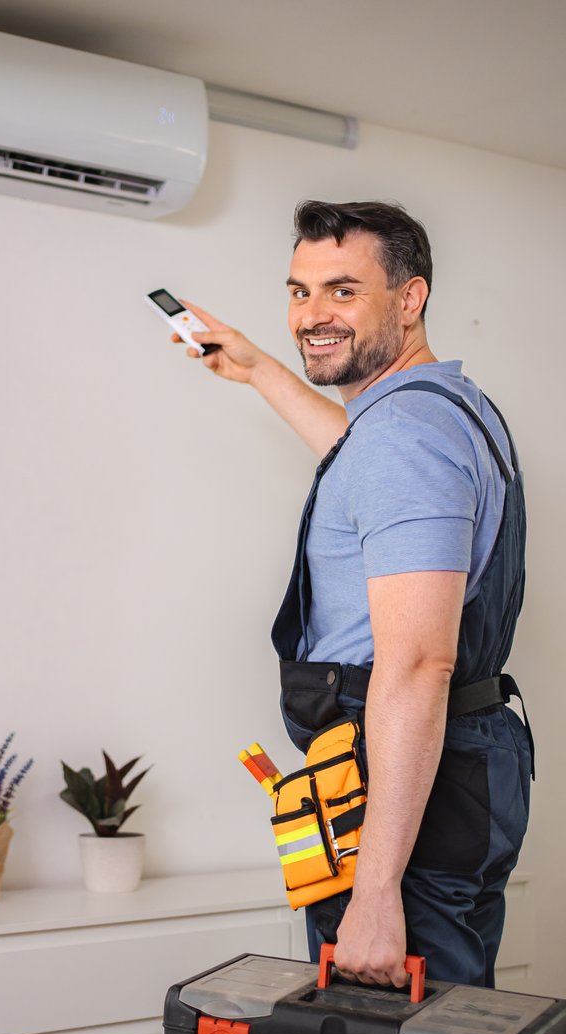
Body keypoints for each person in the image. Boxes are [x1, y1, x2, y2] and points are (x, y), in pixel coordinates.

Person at [173, 200, 531, 990]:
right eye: (300, 291)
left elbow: (415, 665)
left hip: (400, 786)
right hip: (459, 763)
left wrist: (374, 892)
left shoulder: (402, 439)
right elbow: (364, 465)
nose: (312, 315)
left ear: (410, 299)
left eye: (343, 290)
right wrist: (259, 368)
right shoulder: (441, 410)